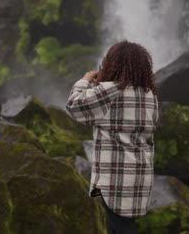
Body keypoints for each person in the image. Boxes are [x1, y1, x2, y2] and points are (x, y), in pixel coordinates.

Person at [66, 41, 158, 234]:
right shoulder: (150, 95)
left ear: (112, 64)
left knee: (121, 228)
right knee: (122, 226)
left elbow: (74, 106)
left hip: (116, 177)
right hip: (140, 175)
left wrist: (85, 80)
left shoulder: (110, 91)